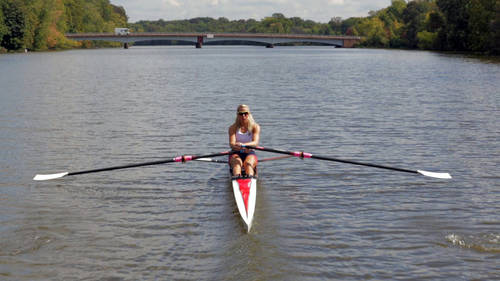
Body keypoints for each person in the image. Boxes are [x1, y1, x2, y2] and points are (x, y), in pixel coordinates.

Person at [228, 104, 260, 177]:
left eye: (245, 113)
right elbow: (232, 144)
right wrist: (239, 147)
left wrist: (243, 145)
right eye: (241, 114)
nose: (243, 116)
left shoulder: (255, 127)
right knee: (237, 165)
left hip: (250, 152)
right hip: (235, 152)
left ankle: (250, 179)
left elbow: (255, 142)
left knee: (248, 164)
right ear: (237, 115)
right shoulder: (232, 128)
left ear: (249, 114)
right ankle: (237, 179)